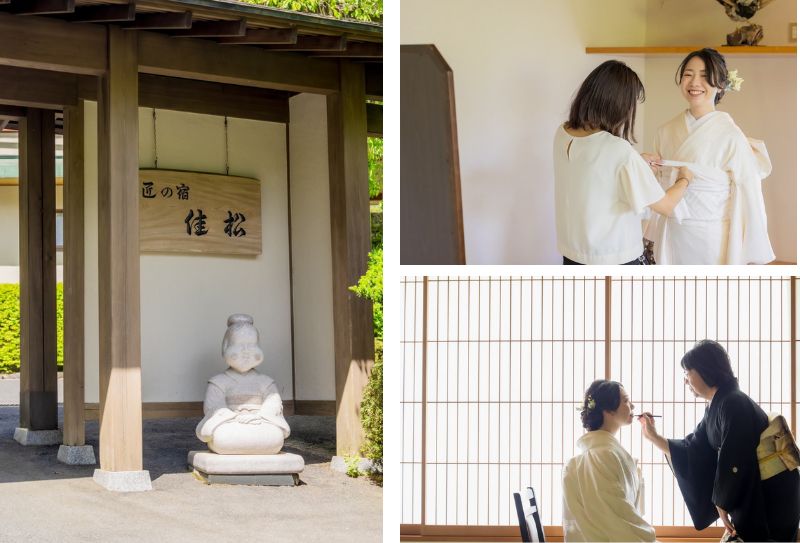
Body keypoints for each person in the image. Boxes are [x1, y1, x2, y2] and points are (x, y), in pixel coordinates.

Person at [639, 340, 800, 541]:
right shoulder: (717, 405)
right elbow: (694, 449)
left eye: (688, 372)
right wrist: (654, 437)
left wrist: (722, 501)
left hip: (771, 493)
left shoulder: (733, 402)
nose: (685, 380)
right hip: (754, 490)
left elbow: (735, 458)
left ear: (705, 370)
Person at [554, 60, 693, 265]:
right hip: (614, 260)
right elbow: (666, 206)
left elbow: (594, 173)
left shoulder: (563, 133)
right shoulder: (619, 150)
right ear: (618, 105)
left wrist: (637, 162)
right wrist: (685, 178)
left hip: (572, 256)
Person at [644, 48, 774, 264]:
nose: (694, 82)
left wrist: (751, 242)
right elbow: (659, 187)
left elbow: (749, 192)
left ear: (721, 84)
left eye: (705, 76)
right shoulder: (665, 131)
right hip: (673, 232)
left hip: (712, 237)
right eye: (688, 74)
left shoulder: (732, 136)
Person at [562, 379, 656, 541]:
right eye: (626, 400)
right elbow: (614, 520)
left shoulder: (604, 453)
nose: (632, 406)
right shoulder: (602, 456)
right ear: (608, 410)